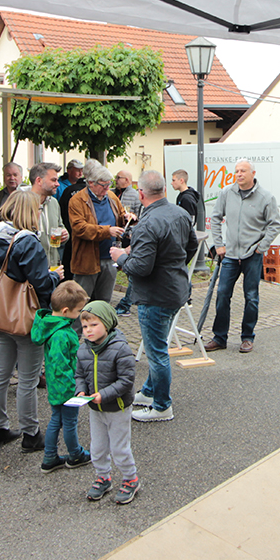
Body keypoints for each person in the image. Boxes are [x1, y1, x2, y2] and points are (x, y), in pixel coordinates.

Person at [111, 170, 197, 423]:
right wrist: (171, 264)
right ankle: (149, 392)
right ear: (164, 190)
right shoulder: (180, 214)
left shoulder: (147, 223)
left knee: (157, 352)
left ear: (141, 194)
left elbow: (140, 268)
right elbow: (191, 246)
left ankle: (162, 406)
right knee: (158, 346)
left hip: (155, 295)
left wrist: (121, 257)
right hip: (175, 290)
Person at [0, 190, 60, 451]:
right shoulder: (27, 241)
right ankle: (31, 433)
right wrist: (55, 276)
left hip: (1, 312)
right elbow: (41, 283)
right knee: (28, 379)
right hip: (26, 315)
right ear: (29, 211)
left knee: (0, 373)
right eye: (37, 209)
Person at [205, 159, 280, 354]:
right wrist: (219, 244)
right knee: (222, 294)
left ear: (253, 173)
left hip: (252, 255)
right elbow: (215, 217)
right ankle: (219, 337)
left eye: (243, 171)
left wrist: (261, 247)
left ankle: (247, 337)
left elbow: (275, 224)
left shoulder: (265, 197)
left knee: (251, 297)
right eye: (237, 171)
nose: (239, 174)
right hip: (230, 255)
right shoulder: (226, 193)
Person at [74, 301, 138, 504]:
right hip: (96, 408)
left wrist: (104, 394)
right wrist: (80, 390)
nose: (88, 330)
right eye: (85, 326)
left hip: (117, 408)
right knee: (98, 447)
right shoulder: (84, 350)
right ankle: (103, 477)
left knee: (119, 448)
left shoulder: (120, 348)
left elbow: (126, 381)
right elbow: (79, 375)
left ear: (107, 324)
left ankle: (131, 478)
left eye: (94, 325)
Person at [31, 279, 92, 473]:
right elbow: (61, 364)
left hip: (55, 386)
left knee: (56, 420)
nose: (80, 315)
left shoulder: (53, 327)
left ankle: (50, 457)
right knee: (69, 422)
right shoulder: (62, 334)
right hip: (66, 387)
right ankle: (75, 454)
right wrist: (73, 387)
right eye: (78, 311)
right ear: (66, 311)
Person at [68, 160, 125, 302]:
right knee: (81, 302)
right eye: (103, 185)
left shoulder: (111, 197)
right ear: (91, 183)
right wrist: (107, 231)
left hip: (109, 258)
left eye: (109, 184)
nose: (107, 188)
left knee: (104, 302)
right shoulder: (77, 200)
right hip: (87, 261)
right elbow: (80, 228)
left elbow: (120, 215)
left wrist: (127, 217)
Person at [29, 162, 69, 269]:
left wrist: (65, 234)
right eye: (53, 180)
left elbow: (60, 226)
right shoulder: (23, 204)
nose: (58, 184)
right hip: (32, 268)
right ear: (39, 181)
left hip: (53, 266)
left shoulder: (54, 203)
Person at [112, 170, 141, 316]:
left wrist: (131, 228)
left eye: (119, 178)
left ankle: (126, 304)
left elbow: (138, 217)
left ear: (128, 180)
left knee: (130, 271)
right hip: (116, 235)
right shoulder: (112, 193)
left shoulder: (134, 195)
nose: (116, 180)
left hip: (128, 237)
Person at [57, 159, 86, 271]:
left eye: (81, 170)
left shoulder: (84, 187)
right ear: (69, 171)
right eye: (77, 170)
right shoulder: (60, 186)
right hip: (65, 228)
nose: (80, 173)